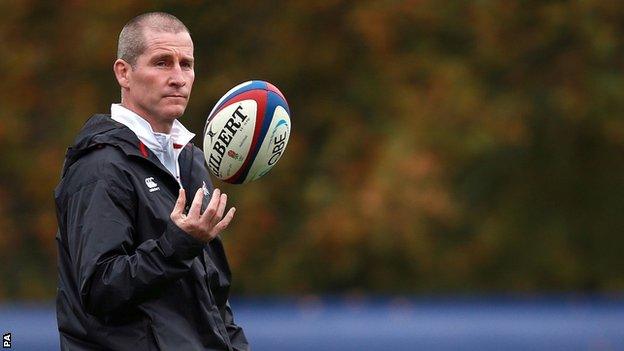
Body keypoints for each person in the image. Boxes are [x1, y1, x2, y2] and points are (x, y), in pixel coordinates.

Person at [54, 12, 249, 350]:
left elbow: (213, 299)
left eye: (186, 64)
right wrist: (177, 245)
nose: (178, 78)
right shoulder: (100, 166)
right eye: (162, 62)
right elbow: (100, 290)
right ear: (123, 73)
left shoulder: (190, 160)